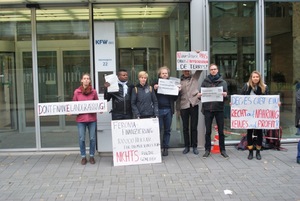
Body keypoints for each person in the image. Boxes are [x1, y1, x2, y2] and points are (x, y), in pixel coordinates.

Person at [200, 63, 229, 159]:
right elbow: (202, 96)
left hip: (219, 109)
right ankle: (207, 150)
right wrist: (200, 96)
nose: (213, 70)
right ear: (209, 70)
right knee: (208, 131)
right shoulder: (205, 82)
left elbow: (226, 97)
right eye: (211, 69)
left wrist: (225, 95)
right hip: (208, 109)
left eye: (215, 69)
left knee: (221, 131)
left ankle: (223, 150)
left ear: (217, 70)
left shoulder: (223, 82)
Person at [241, 71, 269, 160]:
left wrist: (276, 104)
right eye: (254, 77)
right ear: (251, 77)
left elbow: (269, 100)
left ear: (259, 78)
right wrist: (234, 103)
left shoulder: (264, 87)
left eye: (257, 77)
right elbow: (241, 98)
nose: (255, 78)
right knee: (249, 132)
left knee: (259, 133)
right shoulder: (246, 86)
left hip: (259, 114)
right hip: (249, 113)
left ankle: (258, 152)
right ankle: (250, 152)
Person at [72, 73, 99, 165]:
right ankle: (83, 156)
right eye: (85, 78)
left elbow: (97, 103)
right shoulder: (77, 92)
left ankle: (91, 156)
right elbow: (74, 105)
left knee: (92, 138)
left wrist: (101, 109)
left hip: (92, 119)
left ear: (90, 81)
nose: (86, 80)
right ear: (81, 80)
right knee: (81, 138)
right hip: (81, 120)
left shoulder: (94, 92)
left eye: (88, 78)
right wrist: (70, 111)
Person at [153, 66, 179, 156]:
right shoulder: (155, 83)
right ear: (159, 74)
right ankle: (157, 147)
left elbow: (175, 99)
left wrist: (177, 91)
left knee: (167, 130)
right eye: (163, 73)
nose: (164, 75)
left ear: (168, 74)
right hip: (159, 110)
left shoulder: (172, 83)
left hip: (168, 109)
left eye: (166, 73)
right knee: (158, 130)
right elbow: (152, 96)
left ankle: (165, 147)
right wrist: (154, 89)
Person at [179, 69, 201, 155]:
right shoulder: (178, 82)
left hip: (193, 104)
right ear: (182, 71)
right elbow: (178, 97)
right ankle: (187, 146)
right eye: (185, 71)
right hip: (184, 105)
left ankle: (194, 146)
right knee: (185, 128)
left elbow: (200, 70)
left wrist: (199, 55)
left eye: (188, 71)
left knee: (194, 127)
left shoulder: (194, 78)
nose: (186, 72)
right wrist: (177, 109)